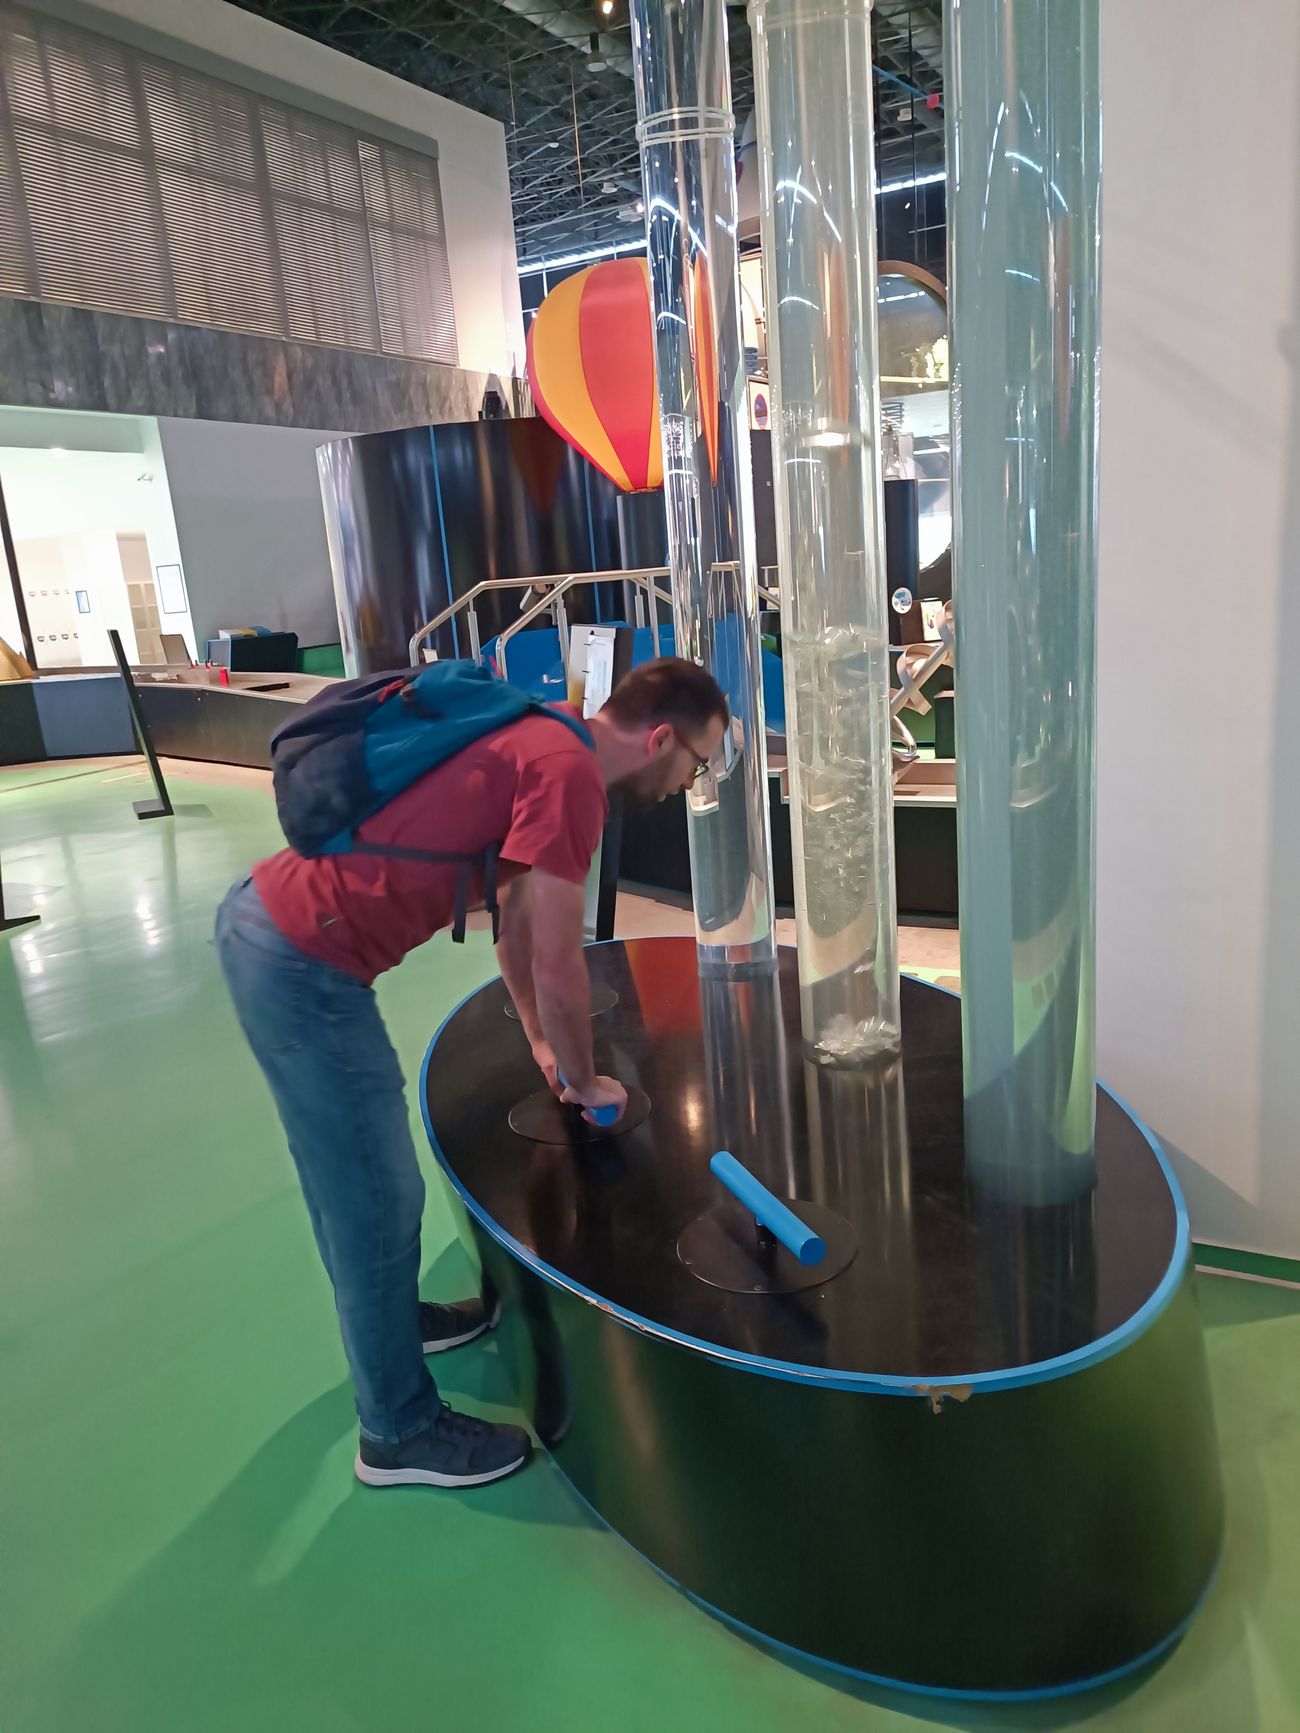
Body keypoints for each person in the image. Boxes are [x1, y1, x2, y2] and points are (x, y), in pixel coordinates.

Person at [216, 657, 728, 1492]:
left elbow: (515, 924)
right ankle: (397, 1430)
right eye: (696, 765)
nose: (686, 786)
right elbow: (558, 959)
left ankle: (395, 1325)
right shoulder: (571, 775)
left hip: (272, 930)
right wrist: (588, 1079)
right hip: (301, 962)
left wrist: (544, 1043)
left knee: (353, 1184)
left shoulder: (547, 734)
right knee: (373, 1197)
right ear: (661, 739)